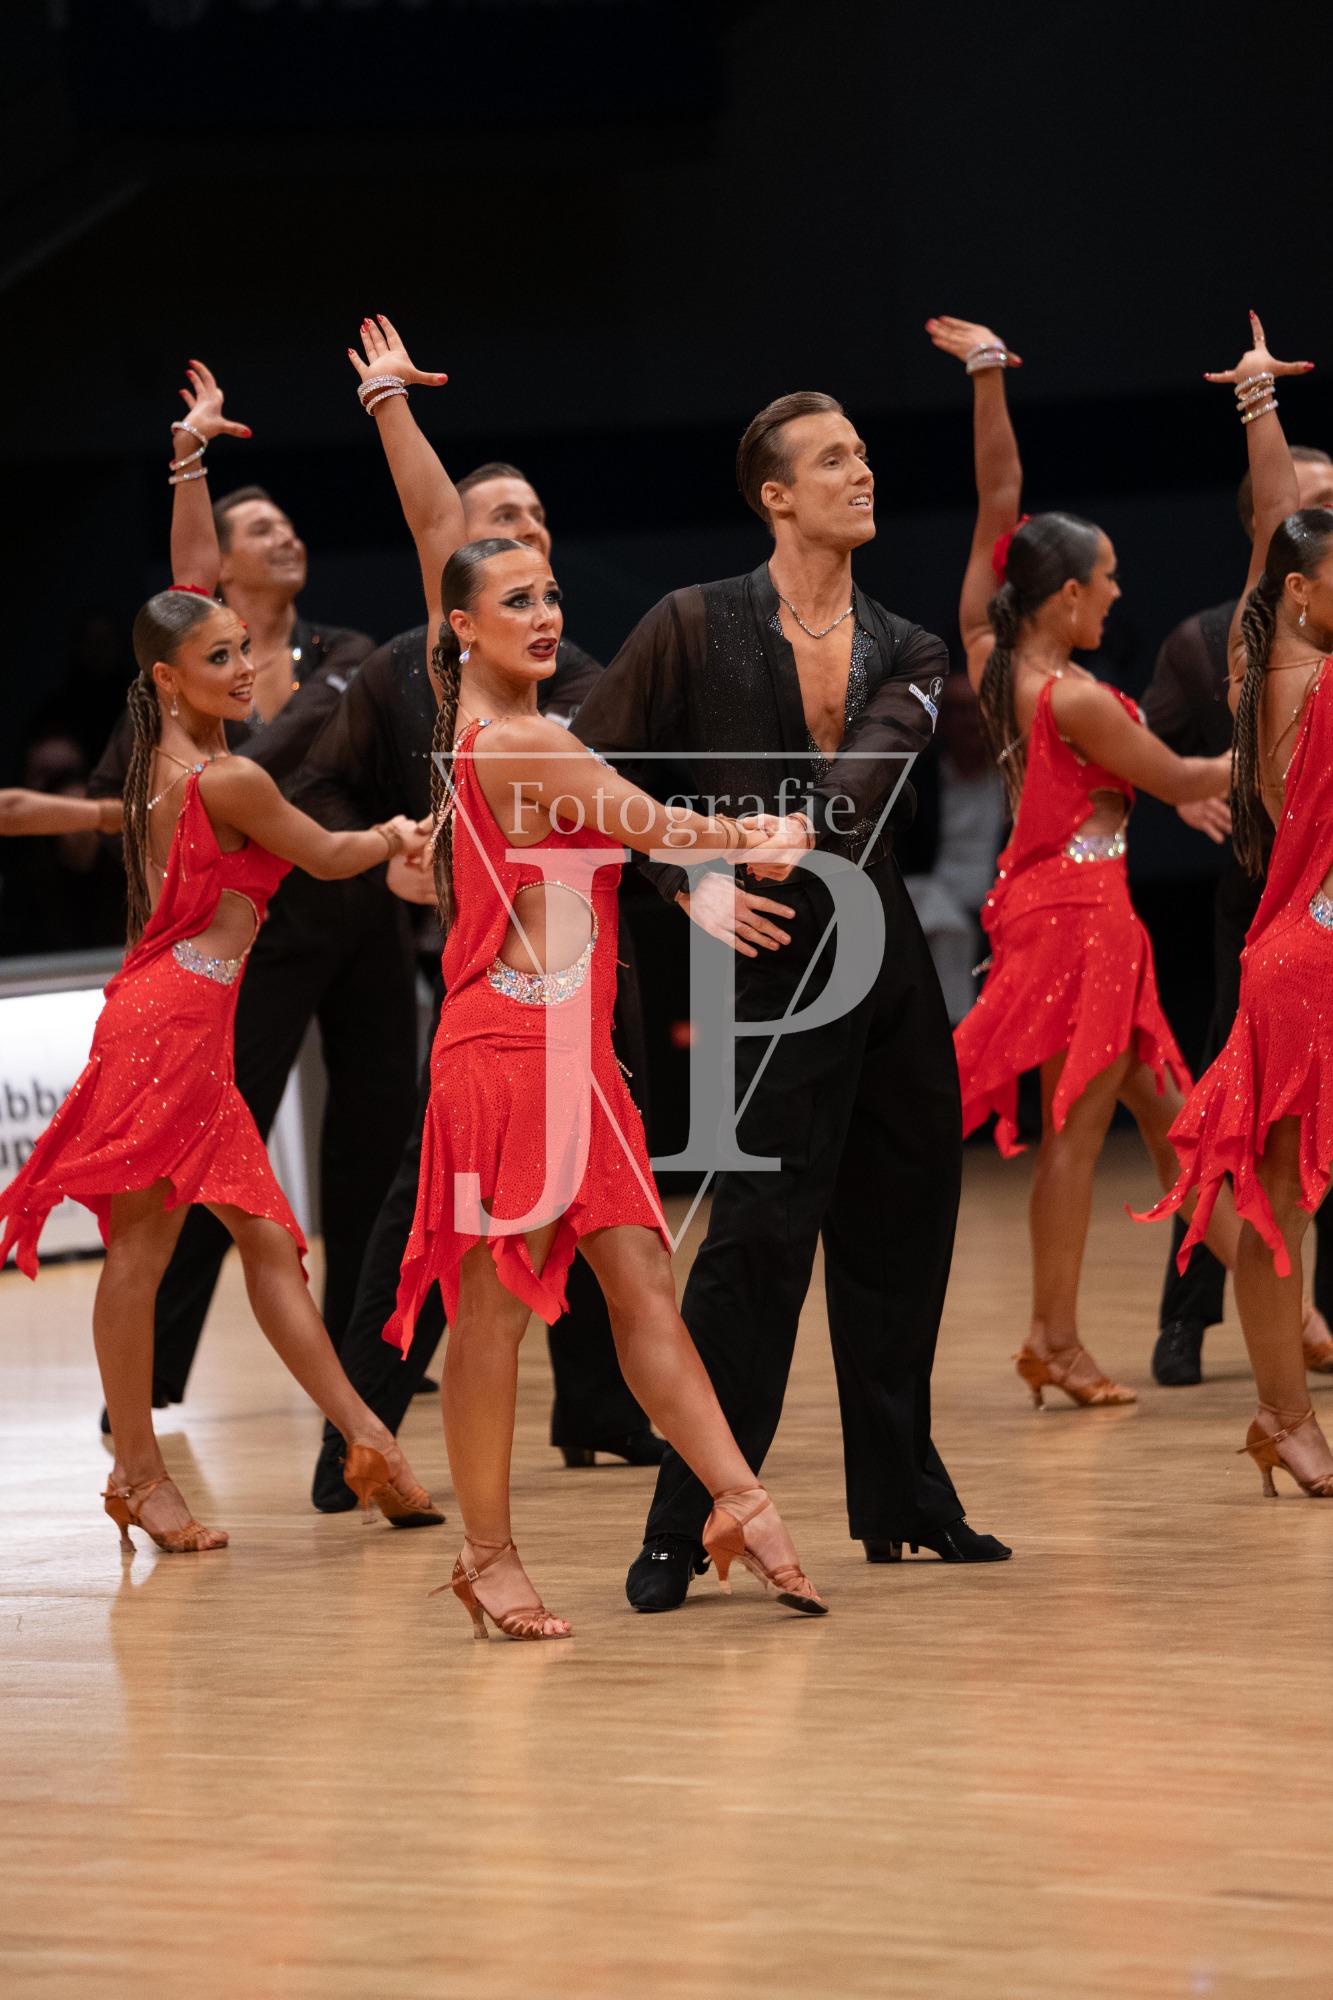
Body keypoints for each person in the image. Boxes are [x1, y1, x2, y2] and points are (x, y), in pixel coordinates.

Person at [351, 313, 824, 1636]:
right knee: (491, 1321)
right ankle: (488, 1554)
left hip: (578, 1060)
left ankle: (738, 1499)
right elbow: (651, 822)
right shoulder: (515, 742)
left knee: (640, 1290)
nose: (546, 614)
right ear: (460, 627)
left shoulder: (508, 727)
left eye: (552, 594)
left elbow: (441, 531)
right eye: (516, 601)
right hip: (504, 1063)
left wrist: (389, 407)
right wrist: (754, 833)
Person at [573, 384, 1010, 1611]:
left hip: (883, 953)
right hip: (762, 965)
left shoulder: (908, 645)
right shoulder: (688, 622)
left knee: (904, 1219)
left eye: (862, 453)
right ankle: (686, 1518)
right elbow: (582, 771)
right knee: (753, 1247)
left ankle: (905, 1498)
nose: (860, 472)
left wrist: (787, 831)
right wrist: (682, 875)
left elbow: (870, 775)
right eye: (831, 460)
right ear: (776, 494)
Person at [0, 568, 442, 1551]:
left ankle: (368, 1441)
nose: (247, 667)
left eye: (245, 647)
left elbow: (184, 582)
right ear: (167, 677)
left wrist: (187, 487)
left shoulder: (160, 765)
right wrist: (392, 833)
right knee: (144, 1250)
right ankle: (140, 1472)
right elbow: (326, 857)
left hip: (181, 1027)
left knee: (267, 1244)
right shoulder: (227, 779)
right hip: (168, 1033)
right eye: (220, 657)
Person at [294, 459, 661, 1514]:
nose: (530, 532)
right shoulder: (442, 663)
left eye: (540, 518)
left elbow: (616, 805)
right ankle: (362, 1435)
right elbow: (427, 522)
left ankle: (599, 1411)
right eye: (505, 517)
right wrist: (392, 854)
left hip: (586, 969)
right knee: (446, 1236)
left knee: (597, 1223)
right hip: (496, 1006)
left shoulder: (574, 671)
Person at [87, 367, 416, 1421]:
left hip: (298, 944)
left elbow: (186, 612)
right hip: (224, 971)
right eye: (259, 530)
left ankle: (365, 1405)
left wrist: (188, 456)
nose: (287, 540)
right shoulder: (206, 746)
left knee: (288, 1213)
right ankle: (142, 1421)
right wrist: (398, 834)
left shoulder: (331, 658)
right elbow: (318, 845)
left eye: (290, 528)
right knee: (167, 1226)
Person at [928, 313, 1239, 1409]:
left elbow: (997, 501)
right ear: (1065, 597)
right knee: (1082, 1130)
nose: (1114, 592)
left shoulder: (989, 647)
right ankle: (1054, 1336)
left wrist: (986, 376)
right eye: (1103, 578)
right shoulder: (1071, 696)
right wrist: (1291, 738)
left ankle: (1287, 1314)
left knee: (1169, 1113)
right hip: (1083, 922)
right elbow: (1185, 776)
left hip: (1056, 906)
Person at [1140, 313, 1333, 1496]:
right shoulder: (1282, 667)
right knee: (1270, 1205)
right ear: (1300, 589)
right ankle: (1282, 1412)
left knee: (1278, 1201)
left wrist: (1262, 398)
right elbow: (1274, 523)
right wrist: (1257, 408)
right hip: (1305, 962)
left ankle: (1282, 1407)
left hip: (1306, 948)